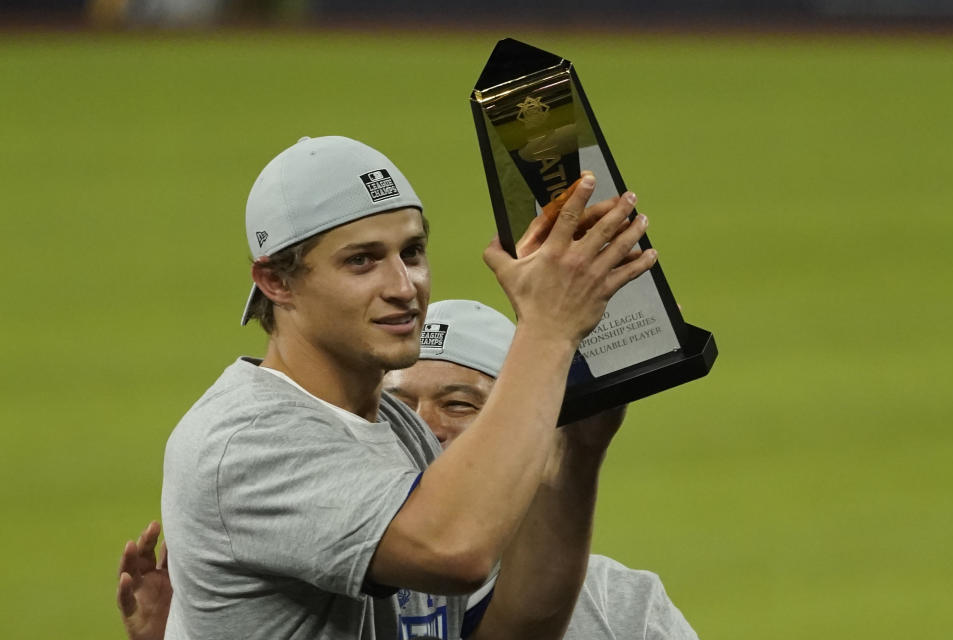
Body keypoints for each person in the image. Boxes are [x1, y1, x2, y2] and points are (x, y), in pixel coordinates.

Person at [157, 134, 658, 639]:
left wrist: (579, 446)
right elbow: (455, 547)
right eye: (362, 261)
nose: (403, 287)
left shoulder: (399, 428)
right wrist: (547, 328)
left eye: (412, 252)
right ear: (276, 283)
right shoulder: (246, 440)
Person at [117, 301, 697, 640]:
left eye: (460, 404)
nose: (421, 428)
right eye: (395, 406)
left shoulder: (617, 608)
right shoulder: (333, 597)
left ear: (525, 432)